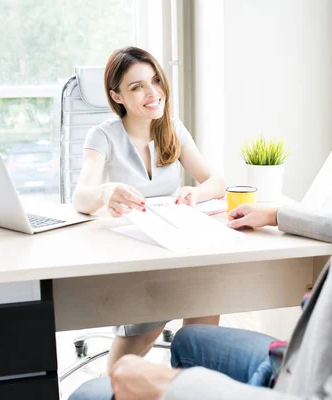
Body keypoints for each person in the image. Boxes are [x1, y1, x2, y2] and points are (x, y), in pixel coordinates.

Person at [69, 0, 332, 399]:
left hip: (302, 381)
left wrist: (167, 387)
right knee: (191, 337)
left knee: (94, 391)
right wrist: (280, 212)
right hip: (302, 361)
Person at [72, 46, 225, 371]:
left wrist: (196, 194)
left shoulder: (173, 128)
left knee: (207, 296)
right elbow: (80, 198)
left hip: (174, 245)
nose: (153, 93)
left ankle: (187, 384)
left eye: (155, 80)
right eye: (137, 86)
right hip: (133, 257)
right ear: (117, 96)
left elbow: (216, 182)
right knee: (120, 371)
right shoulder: (102, 136)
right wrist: (105, 191)